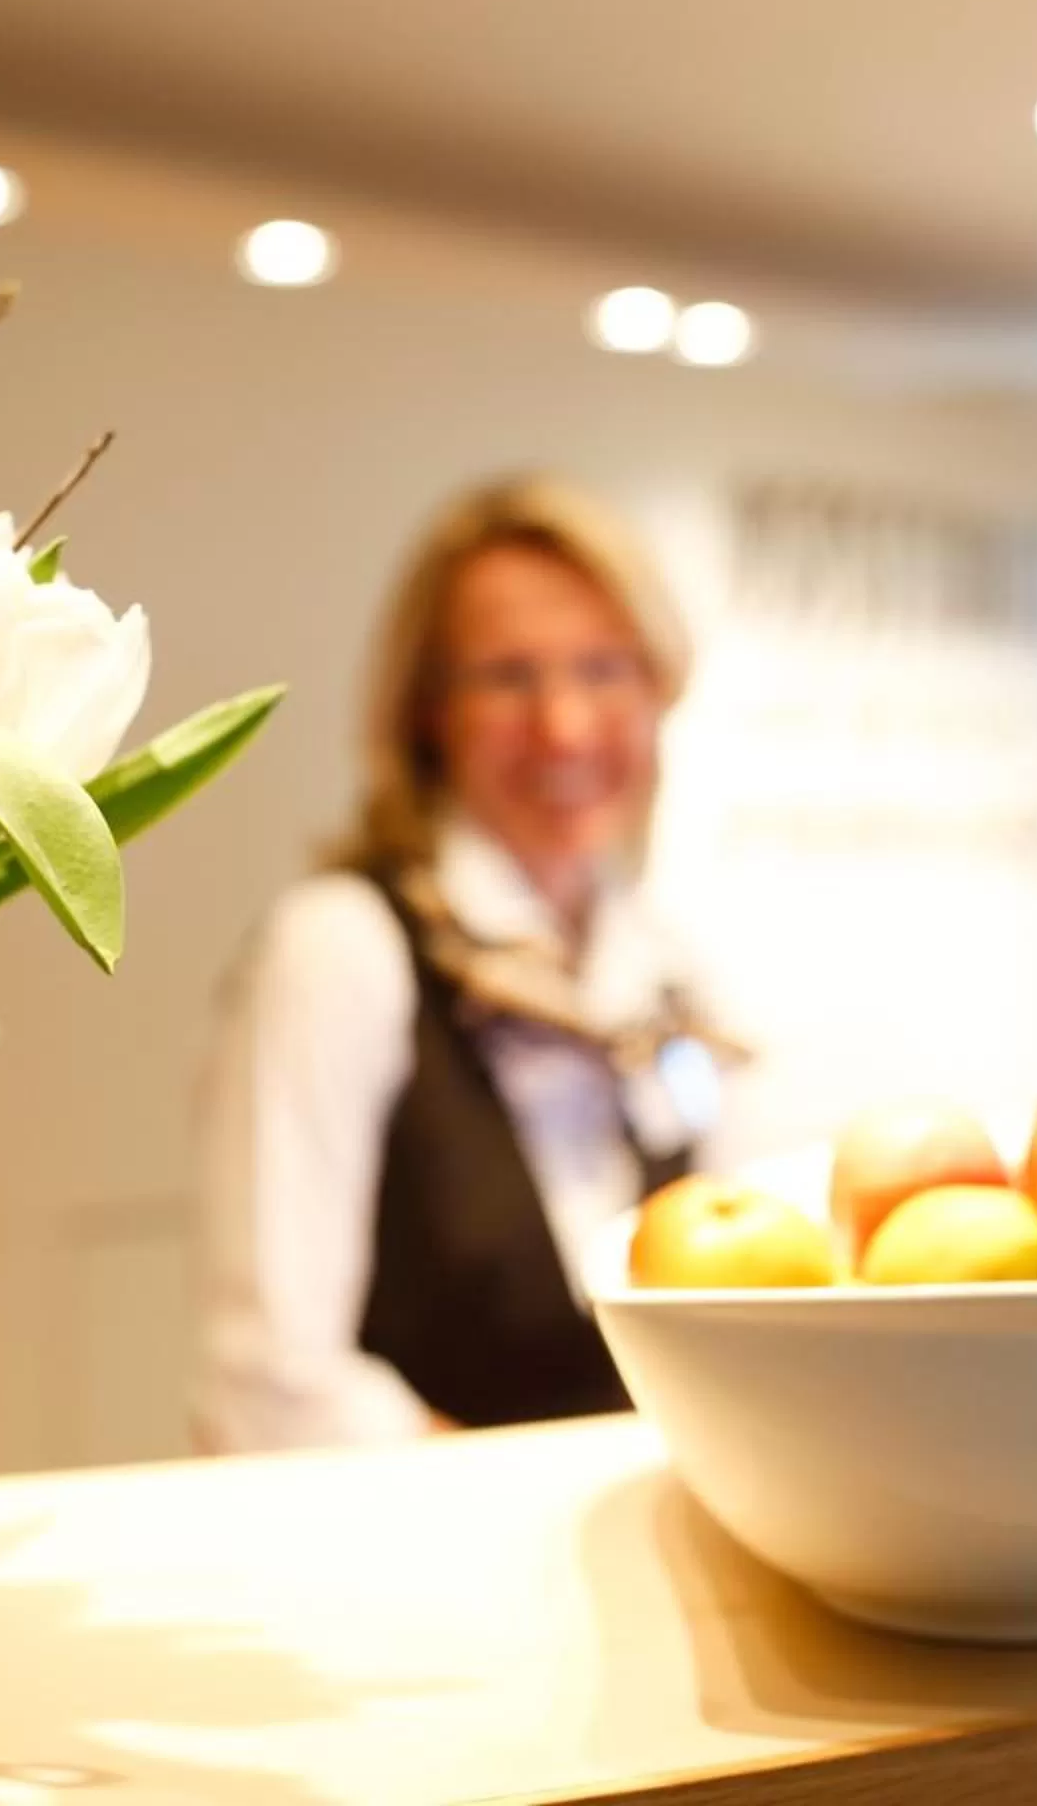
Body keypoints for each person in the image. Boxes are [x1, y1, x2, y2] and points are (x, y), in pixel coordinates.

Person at [190, 477, 742, 1453]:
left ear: (659, 689)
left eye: (605, 667)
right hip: (417, 1562)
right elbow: (270, 1378)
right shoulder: (340, 947)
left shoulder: (663, 969)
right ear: (425, 710)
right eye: (509, 676)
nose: (565, 725)